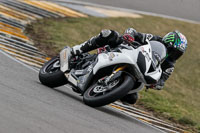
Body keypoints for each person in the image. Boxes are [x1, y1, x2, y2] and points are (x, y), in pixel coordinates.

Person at [69, 28, 188, 104]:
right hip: (127, 51)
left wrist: (157, 84)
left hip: (139, 73)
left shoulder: (170, 64)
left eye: (178, 54)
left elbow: (162, 80)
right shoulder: (154, 39)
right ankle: (77, 50)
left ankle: (109, 89)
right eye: (172, 50)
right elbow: (134, 32)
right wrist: (129, 35)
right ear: (167, 41)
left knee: (132, 99)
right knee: (109, 34)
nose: (173, 54)